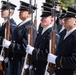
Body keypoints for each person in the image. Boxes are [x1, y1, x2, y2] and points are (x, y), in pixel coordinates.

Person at [2, 1, 37, 75]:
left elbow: (25, 47)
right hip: (15, 60)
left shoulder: (29, 27)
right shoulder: (21, 25)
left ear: (29, 13)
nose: (19, 12)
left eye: (22, 11)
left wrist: (10, 45)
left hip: (21, 62)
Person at [25, 3, 59, 75]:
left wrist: (33, 51)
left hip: (44, 70)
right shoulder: (41, 32)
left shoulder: (52, 35)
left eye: (45, 17)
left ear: (52, 19)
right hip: (37, 69)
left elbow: (48, 55)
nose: (41, 19)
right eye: (42, 17)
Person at [47, 7, 76, 75]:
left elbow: (74, 61)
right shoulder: (64, 34)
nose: (64, 20)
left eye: (68, 18)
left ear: (75, 21)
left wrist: (56, 60)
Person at [0, 1, 17, 75]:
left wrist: (8, 56)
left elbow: (12, 43)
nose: (1, 11)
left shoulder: (12, 25)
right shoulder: (4, 24)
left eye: (4, 9)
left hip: (7, 59)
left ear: (10, 13)